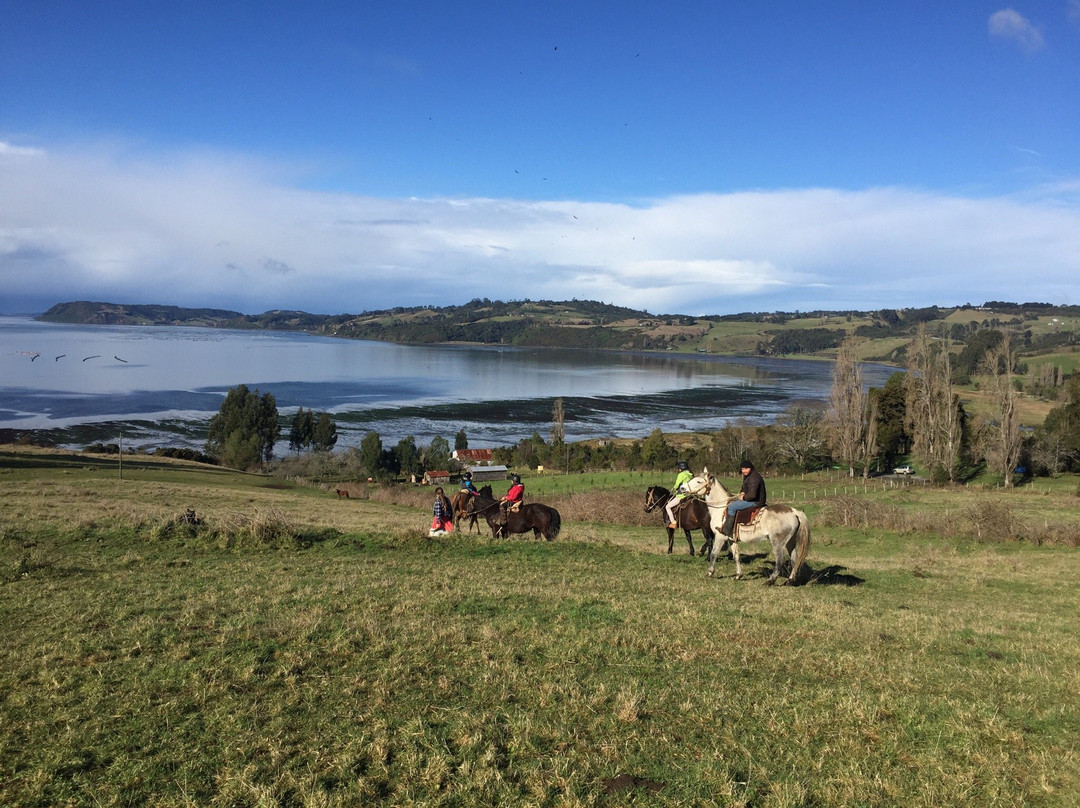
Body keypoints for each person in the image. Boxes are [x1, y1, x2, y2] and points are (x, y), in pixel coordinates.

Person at [719, 460, 767, 538]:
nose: (744, 471)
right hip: (752, 499)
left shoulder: (754, 478)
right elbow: (745, 487)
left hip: (756, 501)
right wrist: (743, 492)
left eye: (745, 469)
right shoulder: (749, 476)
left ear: (750, 468)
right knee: (732, 502)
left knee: (732, 507)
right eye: (742, 469)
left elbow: (752, 495)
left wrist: (743, 497)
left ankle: (727, 530)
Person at [665, 461, 693, 529]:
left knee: (667, 507)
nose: (678, 469)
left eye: (679, 468)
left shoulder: (681, 475)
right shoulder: (691, 475)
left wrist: (674, 488)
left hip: (681, 496)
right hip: (690, 495)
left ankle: (673, 522)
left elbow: (677, 484)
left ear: (681, 468)